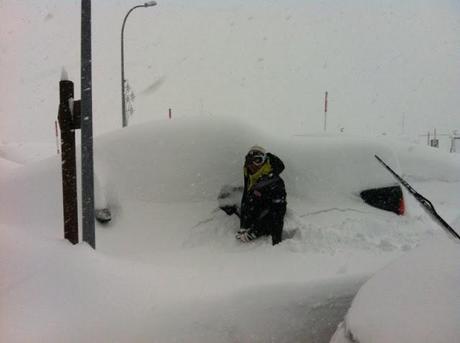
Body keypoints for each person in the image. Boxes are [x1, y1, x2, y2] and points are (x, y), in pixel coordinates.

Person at [236, 146, 287, 245]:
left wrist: (254, 232)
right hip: (252, 219)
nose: (253, 165)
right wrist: (244, 226)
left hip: (262, 235)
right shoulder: (250, 174)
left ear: (264, 161)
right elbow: (247, 197)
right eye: (250, 162)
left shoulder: (275, 183)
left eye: (258, 160)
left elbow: (277, 214)